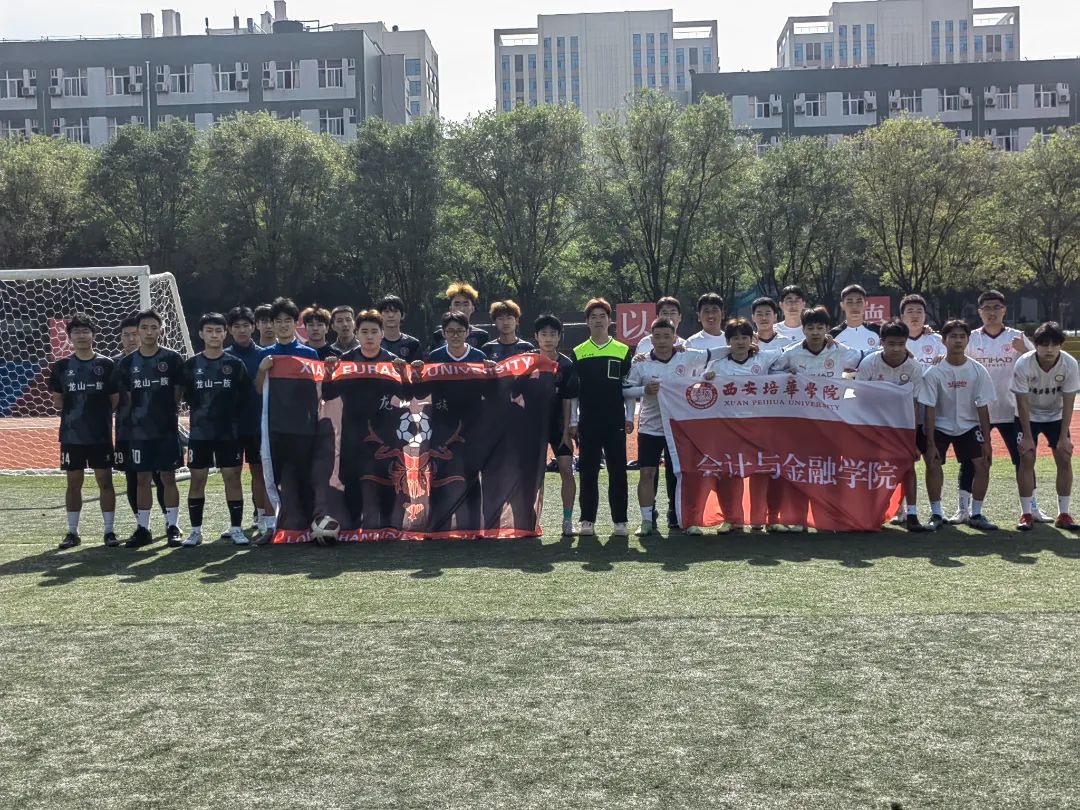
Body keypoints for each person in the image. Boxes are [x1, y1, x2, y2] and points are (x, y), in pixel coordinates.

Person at [770, 306, 863, 532]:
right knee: (800, 470)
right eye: (810, 327)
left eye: (820, 327)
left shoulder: (839, 350)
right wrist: (787, 376)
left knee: (828, 471)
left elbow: (866, 357)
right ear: (803, 330)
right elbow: (771, 372)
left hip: (831, 422)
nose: (815, 332)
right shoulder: (791, 353)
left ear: (827, 329)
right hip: (800, 423)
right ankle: (799, 520)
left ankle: (827, 519)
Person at [959, 289, 1039, 524]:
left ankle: (1031, 508)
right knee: (971, 461)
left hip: (1011, 411)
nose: (991, 312)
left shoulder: (1017, 337)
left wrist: (1024, 350)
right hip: (977, 411)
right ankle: (963, 509)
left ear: (1004, 310)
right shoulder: (971, 338)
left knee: (1023, 460)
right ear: (979, 312)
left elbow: (1037, 364)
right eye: (987, 308)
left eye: (996, 307)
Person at [624, 318, 710, 536]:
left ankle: (685, 518)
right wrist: (644, 390)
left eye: (666, 336)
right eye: (657, 337)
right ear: (651, 339)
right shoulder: (641, 363)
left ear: (674, 338)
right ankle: (646, 520)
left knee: (683, 473)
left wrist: (742, 348)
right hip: (650, 427)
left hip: (679, 427)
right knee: (647, 473)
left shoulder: (685, 356)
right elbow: (625, 390)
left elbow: (714, 354)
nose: (662, 341)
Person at [322, 310, 403, 530]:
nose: (369, 336)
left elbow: (409, 395)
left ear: (382, 334)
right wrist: (329, 373)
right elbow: (328, 394)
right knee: (352, 480)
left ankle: (387, 526)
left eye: (374, 331)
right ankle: (352, 526)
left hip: (386, 432)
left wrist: (405, 374)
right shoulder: (345, 361)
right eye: (364, 331)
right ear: (357, 333)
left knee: (387, 480)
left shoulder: (392, 362)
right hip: (354, 432)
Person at [112, 308, 185, 548]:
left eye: (154, 327)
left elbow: (177, 394)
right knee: (141, 478)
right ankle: (143, 528)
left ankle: (173, 526)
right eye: (144, 327)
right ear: (138, 331)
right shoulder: (126, 363)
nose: (149, 332)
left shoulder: (173, 359)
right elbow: (128, 398)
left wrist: (163, 414)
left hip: (166, 430)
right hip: (139, 432)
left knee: (168, 477)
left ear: (161, 330)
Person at [179, 313, 253, 547]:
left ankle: (236, 529)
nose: (214, 335)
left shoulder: (235, 364)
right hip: (200, 433)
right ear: (201, 334)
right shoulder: (191, 365)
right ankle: (195, 532)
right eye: (209, 330)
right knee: (197, 479)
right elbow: (187, 396)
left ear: (225, 333)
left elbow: (244, 398)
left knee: (232, 478)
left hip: (228, 433)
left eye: (218, 331)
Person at [418, 311, 494, 532]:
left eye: (460, 331)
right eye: (450, 331)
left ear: (468, 332)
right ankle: (438, 526)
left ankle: (471, 526)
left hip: (472, 426)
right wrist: (417, 373)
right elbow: (421, 392)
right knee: (440, 475)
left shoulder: (479, 357)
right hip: (442, 425)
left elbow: (492, 393)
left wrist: (491, 375)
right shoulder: (435, 357)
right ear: (443, 333)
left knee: (471, 475)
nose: (455, 335)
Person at [48, 313, 119, 549]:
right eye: (76, 332)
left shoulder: (107, 365)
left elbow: (115, 400)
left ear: (93, 335)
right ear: (69, 337)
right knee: (73, 483)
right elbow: (58, 402)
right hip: (72, 435)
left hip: (100, 435)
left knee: (105, 482)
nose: (81, 336)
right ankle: (72, 532)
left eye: (85, 331)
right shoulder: (61, 366)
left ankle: (109, 531)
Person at [919, 319, 998, 531]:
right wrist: (930, 443)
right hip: (940, 426)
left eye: (962, 336)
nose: (958, 340)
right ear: (943, 341)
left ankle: (976, 513)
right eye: (953, 336)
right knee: (932, 463)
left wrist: (987, 441)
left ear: (968, 340)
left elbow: (983, 407)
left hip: (969, 426)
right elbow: (929, 408)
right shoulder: (933, 372)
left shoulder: (978, 370)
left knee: (983, 464)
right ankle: (937, 513)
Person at [705, 318, 781, 532]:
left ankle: (759, 518)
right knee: (730, 472)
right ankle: (732, 519)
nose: (740, 342)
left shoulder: (763, 358)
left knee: (761, 471)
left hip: (759, 426)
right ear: (728, 341)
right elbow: (702, 384)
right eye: (735, 338)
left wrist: (828, 341)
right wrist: (706, 377)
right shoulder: (718, 365)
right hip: (729, 428)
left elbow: (789, 354)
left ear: (752, 339)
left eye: (744, 337)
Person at [255, 297, 321, 545]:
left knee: (305, 478)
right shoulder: (265, 354)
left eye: (288, 321)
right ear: (271, 324)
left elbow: (318, 391)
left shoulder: (309, 353)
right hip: (274, 429)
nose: (283, 325)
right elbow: (258, 390)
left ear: (295, 324)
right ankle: (272, 527)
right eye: (278, 321)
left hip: (304, 429)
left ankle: (310, 526)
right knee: (273, 479)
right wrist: (262, 370)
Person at [855, 319, 930, 532]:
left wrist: (912, 439)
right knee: (872, 469)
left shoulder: (914, 367)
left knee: (908, 466)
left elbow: (915, 404)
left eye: (901, 343)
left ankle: (912, 514)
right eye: (891, 344)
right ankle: (870, 512)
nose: (896, 348)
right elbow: (859, 398)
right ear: (882, 342)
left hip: (902, 426)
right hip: (874, 425)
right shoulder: (869, 364)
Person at [570, 298, 634, 537]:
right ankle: (587, 520)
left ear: (610, 320)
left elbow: (628, 387)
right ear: (587, 322)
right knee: (588, 471)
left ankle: (620, 521)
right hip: (588, 421)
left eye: (602, 316)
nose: (598, 321)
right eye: (593, 317)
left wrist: (630, 416)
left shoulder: (622, 350)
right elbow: (574, 392)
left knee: (618, 471)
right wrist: (573, 421)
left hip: (615, 420)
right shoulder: (578, 352)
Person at [1011, 322, 1080, 531]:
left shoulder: (1069, 364)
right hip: (1028, 415)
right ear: (1036, 344)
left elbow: (1069, 401)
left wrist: (1063, 437)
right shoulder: (1024, 363)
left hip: (1056, 415)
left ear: (1060, 344)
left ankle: (1064, 514)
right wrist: (1027, 436)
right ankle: (1026, 513)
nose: (1049, 349)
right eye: (1044, 344)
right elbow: (1022, 402)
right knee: (1026, 457)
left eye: (1054, 344)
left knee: (1064, 457)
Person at [113, 313, 169, 522]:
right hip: (128, 431)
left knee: (162, 476)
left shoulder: (163, 360)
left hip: (158, 429)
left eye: (134, 334)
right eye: (125, 335)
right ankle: (141, 524)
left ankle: (169, 521)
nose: (130, 339)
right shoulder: (114, 364)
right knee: (133, 478)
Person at [225, 306, 270, 535]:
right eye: (237, 326)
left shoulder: (264, 355)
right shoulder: (223, 356)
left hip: (257, 425)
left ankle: (260, 518)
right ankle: (235, 524)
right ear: (229, 330)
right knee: (232, 474)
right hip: (230, 428)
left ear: (254, 327)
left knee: (258, 473)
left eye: (246, 325)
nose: (242, 330)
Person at [533, 314, 579, 537]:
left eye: (553, 334)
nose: (548, 339)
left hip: (559, 426)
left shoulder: (567, 364)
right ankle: (531, 520)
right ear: (536, 337)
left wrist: (568, 429)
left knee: (566, 470)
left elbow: (568, 399)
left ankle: (567, 520)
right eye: (544, 334)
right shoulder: (528, 362)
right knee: (534, 475)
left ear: (560, 337)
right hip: (534, 426)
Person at [428, 282, 490, 351]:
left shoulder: (481, 336)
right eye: (457, 304)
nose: (461, 309)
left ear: (472, 308)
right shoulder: (438, 336)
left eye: (466, 304)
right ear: (450, 308)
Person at [829, 284, 881, 357]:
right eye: (850, 302)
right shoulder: (833, 335)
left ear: (865, 304)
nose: (854, 306)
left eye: (859, 302)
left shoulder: (878, 331)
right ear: (842, 305)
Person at [377, 295, 422, 361]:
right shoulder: (373, 343)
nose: (391, 315)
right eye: (386, 311)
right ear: (379, 315)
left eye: (395, 311)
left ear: (402, 315)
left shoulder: (413, 344)